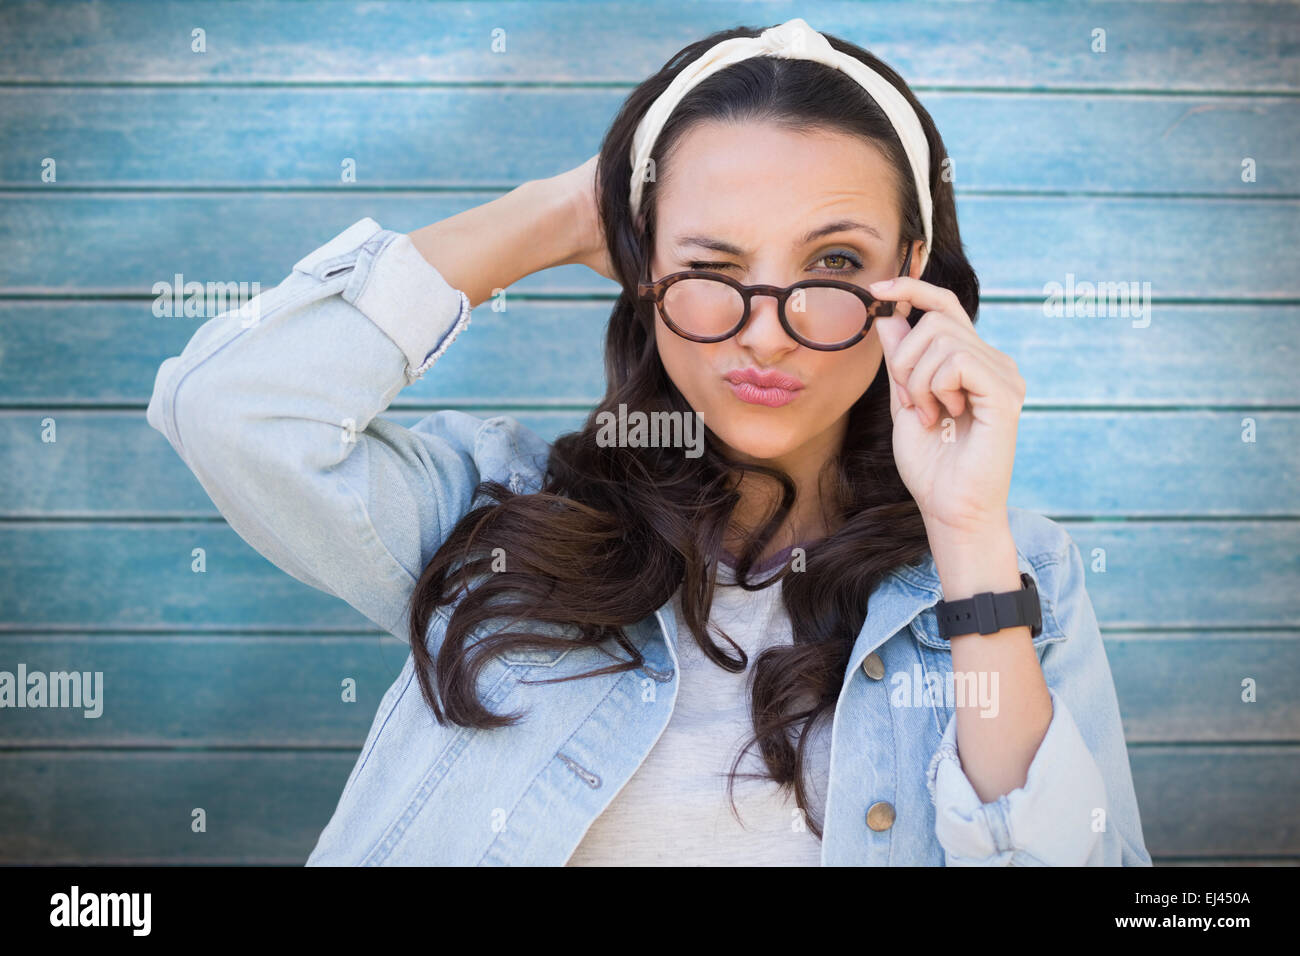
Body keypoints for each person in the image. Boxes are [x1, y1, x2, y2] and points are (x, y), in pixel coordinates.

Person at [147, 17, 1151, 866]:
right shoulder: (497, 513)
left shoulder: (1022, 574)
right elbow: (233, 409)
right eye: (711, 263)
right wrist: (553, 215)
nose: (766, 332)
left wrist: (967, 531)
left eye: (834, 260)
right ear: (638, 266)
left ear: (911, 271)